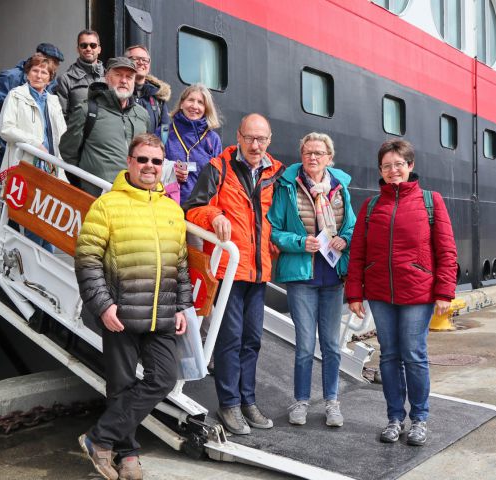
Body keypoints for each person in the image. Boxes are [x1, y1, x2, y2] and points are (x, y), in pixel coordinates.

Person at [75, 133, 192, 480]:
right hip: (121, 314)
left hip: (163, 315)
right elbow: (87, 259)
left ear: (162, 166)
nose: (149, 167)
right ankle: (126, 457)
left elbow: (180, 264)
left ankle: (98, 438)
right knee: (122, 386)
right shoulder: (107, 205)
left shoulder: (172, 209)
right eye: (143, 160)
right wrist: (102, 305)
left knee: (163, 378)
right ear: (129, 162)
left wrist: (183, 306)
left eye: (156, 161)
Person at [345, 139, 457, 446]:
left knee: (414, 354)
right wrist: (354, 292)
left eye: (398, 164)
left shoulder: (430, 201)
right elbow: (358, 253)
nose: (393, 170)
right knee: (389, 356)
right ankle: (394, 418)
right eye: (386, 165)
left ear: (410, 166)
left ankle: (419, 419)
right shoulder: (371, 206)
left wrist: (444, 292)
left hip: (418, 293)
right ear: (380, 169)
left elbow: (446, 249)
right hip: (381, 293)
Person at [184, 113, 285, 435]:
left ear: (269, 140)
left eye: (262, 139)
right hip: (229, 271)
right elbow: (193, 208)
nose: (256, 146)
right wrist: (214, 216)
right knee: (230, 341)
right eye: (250, 138)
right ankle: (228, 405)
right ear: (239, 137)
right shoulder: (219, 168)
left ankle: (248, 402)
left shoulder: (277, 173)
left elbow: (285, 216)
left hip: (258, 271)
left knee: (253, 341)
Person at [268, 132, 356, 427]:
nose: (313, 158)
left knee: (331, 345)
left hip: (333, 278)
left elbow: (352, 227)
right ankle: (301, 401)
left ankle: (332, 402)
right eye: (307, 153)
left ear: (329, 158)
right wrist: (299, 241)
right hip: (301, 277)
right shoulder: (287, 186)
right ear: (301, 155)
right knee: (305, 345)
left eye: (319, 153)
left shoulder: (340, 188)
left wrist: (344, 238)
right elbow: (274, 230)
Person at [0, 53, 67, 252]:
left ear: (50, 77)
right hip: (28, 165)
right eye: (35, 70)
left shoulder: (53, 101)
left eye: (44, 72)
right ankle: (31, 270)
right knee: (31, 221)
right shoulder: (16, 95)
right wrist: (35, 143)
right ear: (28, 73)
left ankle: (47, 267)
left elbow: (61, 134)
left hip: (52, 168)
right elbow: (6, 129)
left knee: (50, 222)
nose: (39, 75)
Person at [59, 57, 150, 197]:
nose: (124, 81)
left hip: (134, 196)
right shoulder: (86, 110)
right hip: (98, 196)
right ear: (107, 78)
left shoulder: (142, 114)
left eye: (129, 77)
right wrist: (88, 182)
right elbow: (68, 152)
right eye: (118, 75)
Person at [0, 43, 64, 172]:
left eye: (55, 63)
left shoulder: (51, 88)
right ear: (37, 56)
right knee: (14, 189)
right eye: (49, 60)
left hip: (46, 155)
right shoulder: (12, 79)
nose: (40, 74)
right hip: (11, 148)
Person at [164, 83, 223, 206]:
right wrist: (171, 170)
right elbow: (153, 167)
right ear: (181, 104)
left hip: (201, 209)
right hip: (168, 205)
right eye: (190, 100)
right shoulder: (164, 133)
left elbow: (219, 180)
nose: (195, 106)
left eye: (200, 102)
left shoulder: (212, 139)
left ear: (206, 108)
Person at [55, 29, 105, 117]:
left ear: (99, 49)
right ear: (78, 49)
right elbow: (61, 117)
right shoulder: (66, 79)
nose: (88, 49)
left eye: (93, 45)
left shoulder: (110, 77)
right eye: (83, 45)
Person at [124, 45, 171, 135]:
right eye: (135, 59)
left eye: (145, 60)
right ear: (125, 61)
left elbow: (165, 130)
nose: (141, 62)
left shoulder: (158, 96)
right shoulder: (119, 92)